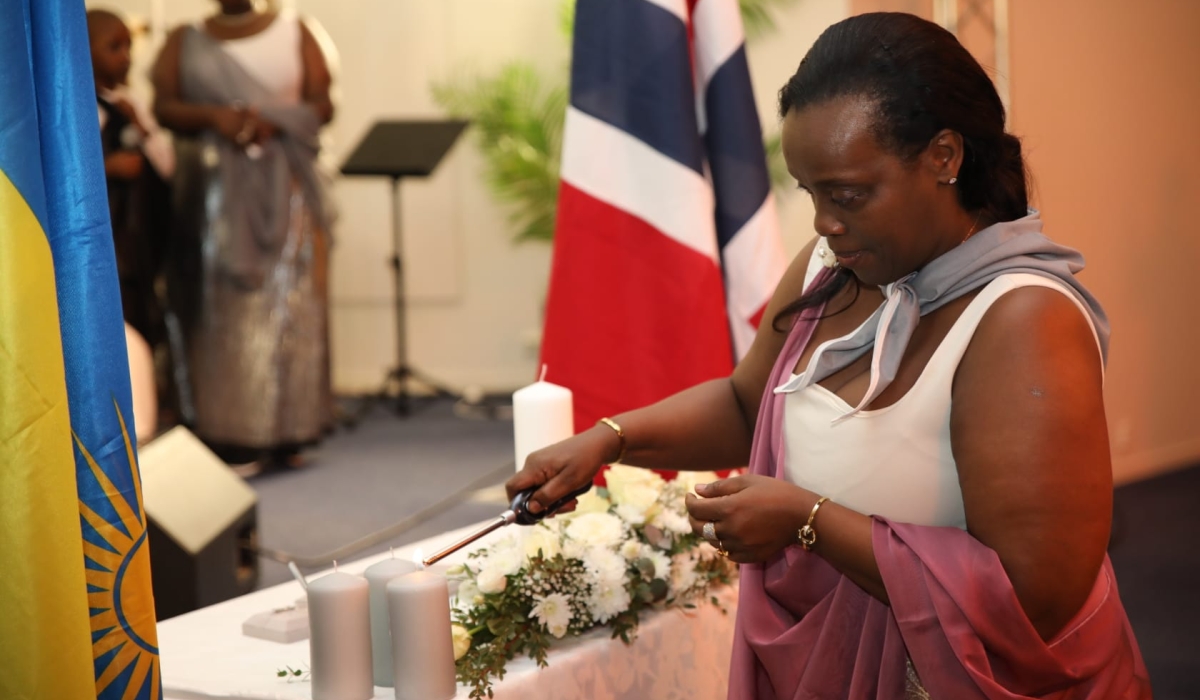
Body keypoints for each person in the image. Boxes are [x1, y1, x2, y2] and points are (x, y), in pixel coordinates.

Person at [508, 12, 1150, 699]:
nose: (824, 223)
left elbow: (1034, 597)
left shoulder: (1023, 318)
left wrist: (805, 520)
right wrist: (608, 440)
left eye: (848, 194)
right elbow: (746, 403)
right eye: (811, 193)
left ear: (944, 157)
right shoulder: (831, 265)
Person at [151, 0, 337, 468]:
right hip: (212, 194)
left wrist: (272, 120)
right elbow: (164, 107)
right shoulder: (183, 39)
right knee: (220, 312)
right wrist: (216, 118)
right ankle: (225, 431)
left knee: (288, 308)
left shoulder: (300, 30)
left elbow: (323, 103)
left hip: (286, 189)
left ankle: (289, 429)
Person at [88, 9, 174, 360]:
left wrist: (142, 125)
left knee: (138, 314)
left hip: (135, 239)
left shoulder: (132, 104)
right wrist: (108, 168)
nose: (125, 57)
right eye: (114, 47)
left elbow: (167, 166)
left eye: (129, 47)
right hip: (101, 233)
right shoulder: (76, 109)